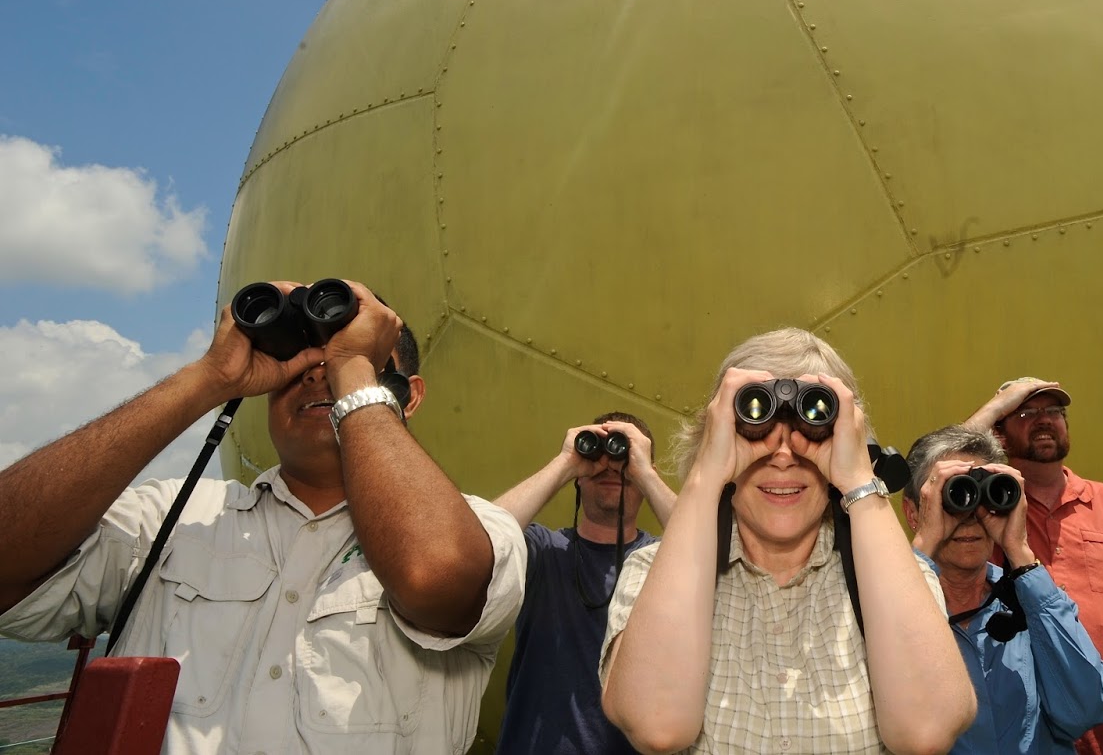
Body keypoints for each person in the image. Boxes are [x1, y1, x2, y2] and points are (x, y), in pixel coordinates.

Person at [0, 280, 526, 755]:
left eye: (342, 364)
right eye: (298, 365)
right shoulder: (174, 517)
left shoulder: (480, 530)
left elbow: (433, 579)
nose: (318, 376)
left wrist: (354, 372)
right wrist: (209, 379)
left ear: (406, 397)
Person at [600, 327, 976, 755]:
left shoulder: (895, 577)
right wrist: (707, 474)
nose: (782, 455)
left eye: (813, 425)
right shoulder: (653, 571)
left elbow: (926, 731)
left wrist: (857, 477)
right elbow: (657, 725)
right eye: (755, 427)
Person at [966, 378, 1103, 755]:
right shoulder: (980, 514)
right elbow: (936, 471)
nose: (1044, 420)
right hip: (1029, 742)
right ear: (998, 434)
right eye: (1025, 412)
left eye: (1054, 411)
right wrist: (993, 408)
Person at [902, 424, 1103, 754]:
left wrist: (1019, 550)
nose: (970, 517)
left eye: (984, 496)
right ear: (913, 512)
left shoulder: (1030, 601)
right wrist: (923, 547)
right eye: (954, 496)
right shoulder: (885, 606)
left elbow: (1088, 709)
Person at [493, 411, 677, 755]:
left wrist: (644, 473)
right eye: (598, 455)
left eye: (623, 456)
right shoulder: (544, 551)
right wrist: (566, 463)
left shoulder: (662, 562)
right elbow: (481, 538)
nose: (610, 467)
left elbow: (710, 558)